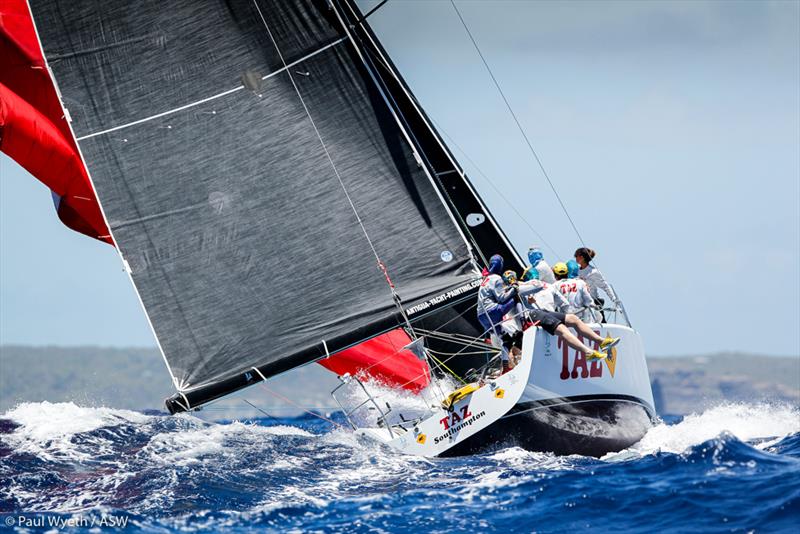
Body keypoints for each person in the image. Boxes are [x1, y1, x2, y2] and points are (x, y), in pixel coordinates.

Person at [504, 262, 616, 362]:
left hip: (541, 312)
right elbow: (539, 287)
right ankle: (587, 352)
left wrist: (521, 287)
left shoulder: (523, 287)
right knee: (562, 329)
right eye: (511, 279)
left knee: (573, 318)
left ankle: (602, 342)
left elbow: (561, 302)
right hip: (532, 316)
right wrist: (517, 286)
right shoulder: (511, 291)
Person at [477, 255, 519, 373]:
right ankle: (525, 323)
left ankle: (505, 368)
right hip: (493, 312)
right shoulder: (496, 278)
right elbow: (502, 298)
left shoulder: (485, 280)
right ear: (500, 265)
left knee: (506, 340)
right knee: (516, 296)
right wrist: (514, 288)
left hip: (481, 317)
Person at [574, 247, 619, 313]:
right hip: (581, 304)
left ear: (582, 257)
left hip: (594, 303)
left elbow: (605, 286)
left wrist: (614, 299)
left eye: (576, 256)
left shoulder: (593, 272)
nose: (575, 258)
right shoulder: (577, 271)